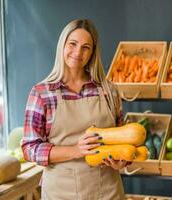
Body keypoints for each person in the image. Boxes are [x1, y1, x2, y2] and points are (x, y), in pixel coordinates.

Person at [22, 19, 127, 200]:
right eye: (73, 44)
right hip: (62, 193)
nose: (78, 52)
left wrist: (122, 161)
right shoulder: (42, 93)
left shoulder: (109, 91)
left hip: (108, 191)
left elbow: (123, 139)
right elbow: (30, 148)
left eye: (86, 47)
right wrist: (76, 150)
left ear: (93, 53)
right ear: (62, 45)